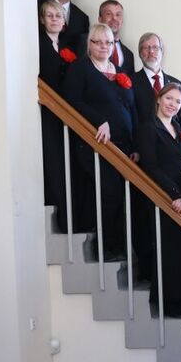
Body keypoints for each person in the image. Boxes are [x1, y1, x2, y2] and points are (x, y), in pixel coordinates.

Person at [62, 22, 138, 257]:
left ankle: (118, 246)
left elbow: (132, 109)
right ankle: (104, 247)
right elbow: (72, 99)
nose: (104, 46)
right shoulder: (81, 68)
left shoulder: (119, 72)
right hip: (97, 145)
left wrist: (136, 145)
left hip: (124, 147)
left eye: (109, 42)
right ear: (89, 44)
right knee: (109, 193)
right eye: (98, 42)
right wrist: (99, 120)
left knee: (122, 197)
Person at [136, 82, 181, 313]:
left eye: (178, 101)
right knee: (167, 249)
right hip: (164, 195)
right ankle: (166, 302)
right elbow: (151, 166)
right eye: (169, 98)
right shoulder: (148, 128)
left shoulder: (178, 128)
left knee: (179, 249)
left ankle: (180, 298)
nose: (173, 104)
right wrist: (174, 192)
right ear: (158, 98)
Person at [38, 0, 78, 230]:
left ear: (64, 22)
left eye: (58, 16)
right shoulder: (38, 43)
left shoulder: (67, 46)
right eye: (50, 15)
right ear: (42, 19)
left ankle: (69, 218)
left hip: (65, 113)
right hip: (47, 111)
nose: (54, 19)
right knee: (52, 161)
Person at [133, 33, 181, 129]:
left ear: (161, 52)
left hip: (171, 136)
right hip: (143, 135)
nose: (151, 51)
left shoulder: (176, 83)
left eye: (155, 47)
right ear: (140, 53)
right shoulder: (131, 81)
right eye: (146, 48)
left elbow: (180, 119)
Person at [94, 0, 135, 73]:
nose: (114, 18)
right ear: (100, 19)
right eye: (109, 14)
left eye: (118, 14)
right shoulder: (86, 42)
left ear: (122, 21)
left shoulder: (129, 54)